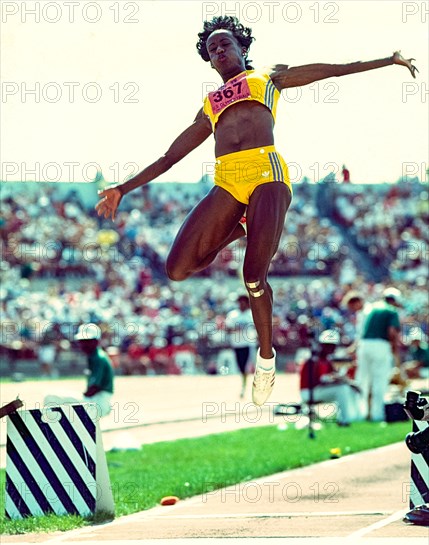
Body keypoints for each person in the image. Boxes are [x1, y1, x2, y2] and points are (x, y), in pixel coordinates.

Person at [95, 15, 418, 406]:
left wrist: (387, 60)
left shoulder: (268, 77)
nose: (219, 51)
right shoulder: (209, 105)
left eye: (225, 43)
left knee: (252, 275)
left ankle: (266, 360)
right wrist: (122, 189)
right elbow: (169, 157)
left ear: (242, 47)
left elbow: (330, 71)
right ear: (209, 60)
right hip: (228, 181)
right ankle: (240, 226)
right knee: (178, 269)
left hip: (267, 173)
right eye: (212, 48)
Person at [44, 324, 114, 418]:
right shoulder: (95, 356)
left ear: (96, 342)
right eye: (81, 341)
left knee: (51, 397)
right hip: (98, 400)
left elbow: (93, 389)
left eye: (87, 341)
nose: (83, 344)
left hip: (98, 402)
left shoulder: (98, 358)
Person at [355, 287, 402, 422]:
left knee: (362, 380)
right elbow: (392, 332)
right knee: (379, 381)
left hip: (364, 345)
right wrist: (395, 350)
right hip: (381, 345)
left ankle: (359, 414)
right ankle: (377, 415)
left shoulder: (371, 308)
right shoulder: (391, 310)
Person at [300, 330, 362, 426]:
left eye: (332, 346)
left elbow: (334, 376)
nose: (330, 348)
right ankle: (344, 420)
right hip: (309, 392)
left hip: (320, 390)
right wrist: (332, 380)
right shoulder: (313, 359)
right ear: (321, 345)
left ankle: (356, 416)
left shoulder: (327, 360)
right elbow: (315, 382)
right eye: (328, 345)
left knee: (348, 388)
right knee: (342, 389)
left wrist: (348, 382)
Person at [225, 294, 256, 398]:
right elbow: (227, 329)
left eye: (244, 302)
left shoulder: (251, 314)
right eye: (240, 302)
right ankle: (244, 385)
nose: (241, 304)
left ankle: (248, 387)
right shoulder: (233, 315)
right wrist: (236, 329)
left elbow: (256, 328)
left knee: (249, 366)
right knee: (241, 367)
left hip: (248, 344)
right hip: (237, 344)